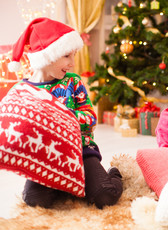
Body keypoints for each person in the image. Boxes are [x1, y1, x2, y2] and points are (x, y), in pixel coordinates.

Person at [8, 17, 123, 209]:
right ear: (47, 56)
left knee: (105, 195)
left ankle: (113, 173)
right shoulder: (23, 90)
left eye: (74, 56)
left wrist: (56, 117)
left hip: (81, 152)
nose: (73, 63)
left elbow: (90, 118)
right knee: (34, 200)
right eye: (67, 56)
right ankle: (65, 185)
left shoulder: (73, 82)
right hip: (45, 158)